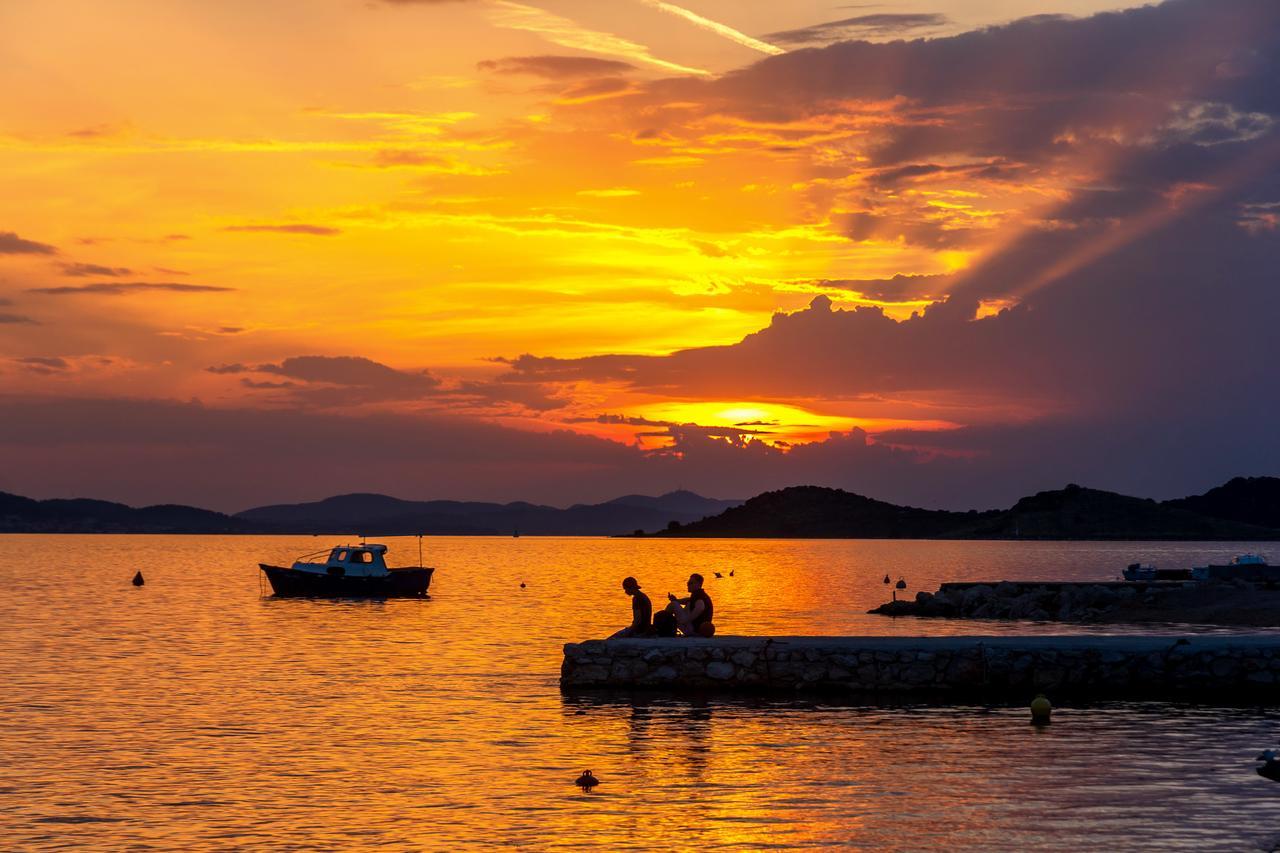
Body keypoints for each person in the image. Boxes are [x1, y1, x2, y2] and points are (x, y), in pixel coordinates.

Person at [664, 573, 715, 637]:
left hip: (694, 630)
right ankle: (664, 625)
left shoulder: (699, 597)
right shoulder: (698, 595)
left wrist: (686, 620)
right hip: (695, 629)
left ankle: (662, 624)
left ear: (698, 584)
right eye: (688, 583)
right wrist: (676, 600)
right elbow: (688, 600)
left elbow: (700, 607)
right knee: (682, 603)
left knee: (673, 605)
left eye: (691, 583)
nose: (688, 585)